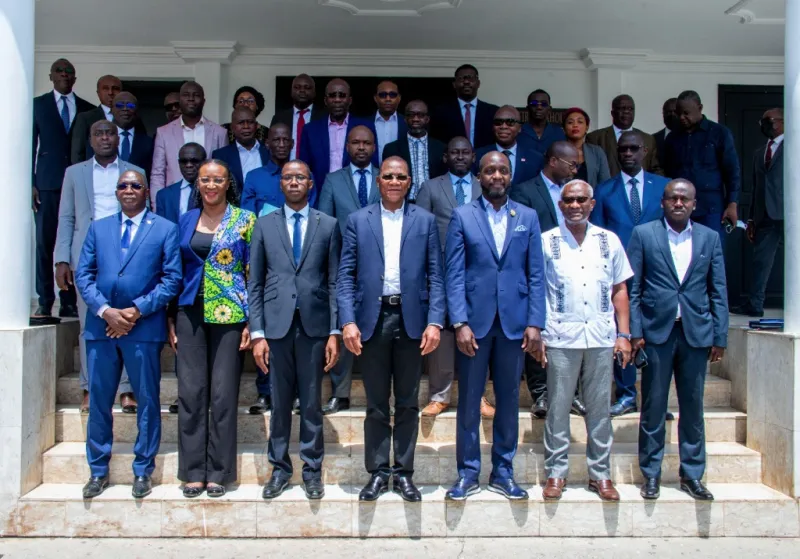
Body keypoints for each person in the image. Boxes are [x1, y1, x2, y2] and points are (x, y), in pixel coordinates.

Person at [337, 156, 445, 502]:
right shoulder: (358, 220)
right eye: (388, 176)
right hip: (372, 320)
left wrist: (435, 321)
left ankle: (404, 473)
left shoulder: (425, 221)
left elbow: (436, 275)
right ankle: (378, 472)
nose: (395, 181)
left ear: (409, 181)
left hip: (412, 321)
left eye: (401, 176)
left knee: (409, 401)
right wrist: (347, 320)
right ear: (379, 181)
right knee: (376, 403)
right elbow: (345, 275)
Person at [444, 151, 546, 501]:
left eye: (503, 170)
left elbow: (536, 273)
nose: (497, 176)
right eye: (490, 171)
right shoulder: (462, 216)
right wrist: (459, 322)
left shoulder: (528, 217)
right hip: (474, 323)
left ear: (510, 174)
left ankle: (503, 472)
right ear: (479, 176)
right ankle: (468, 473)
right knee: (470, 400)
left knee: (507, 400)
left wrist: (535, 321)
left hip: (515, 325)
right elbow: (454, 274)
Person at [75, 169, 181, 500]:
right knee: (100, 403)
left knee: (148, 401)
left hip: (143, 329)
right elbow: (83, 275)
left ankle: (143, 470)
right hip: (101, 329)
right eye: (123, 185)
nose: (129, 190)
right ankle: (97, 470)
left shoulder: (165, 229)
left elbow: (171, 279)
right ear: (117, 192)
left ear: (146, 191)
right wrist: (106, 311)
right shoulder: (99, 227)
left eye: (136, 185)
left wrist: (135, 311)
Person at [628, 179, 729, 502]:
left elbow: (718, 291)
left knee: (693, 407)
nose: (679, 203)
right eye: (673, 198)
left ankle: (692, 474)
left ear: (694, 204)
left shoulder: (709, 238)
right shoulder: (644, 234)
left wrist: (720, 335)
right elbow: (634, 289)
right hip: (657, 333)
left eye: (685, 198)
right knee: (654, 406)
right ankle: (652, 474)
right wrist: (635, 332)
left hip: (696, 334)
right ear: (663, 202)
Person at [250, 160, 341, 500]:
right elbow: (255, 282)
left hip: (315, 326)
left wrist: (334, 330)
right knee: (280, 401)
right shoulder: (264, 225)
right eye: (287, 177)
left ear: (311, 182)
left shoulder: (328, 224)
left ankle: (312, 470)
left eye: (300, 176)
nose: (293, 181)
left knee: (312, 402)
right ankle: (280, 469)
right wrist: (257, 332)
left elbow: (334, 281)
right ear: (281, 184)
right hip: (276, 326)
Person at [540, 179, 632, 502]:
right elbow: (538, 291)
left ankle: (600, 474)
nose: (575, 205)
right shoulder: (546, 242)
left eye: (581, 199)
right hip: (561, 336)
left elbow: (620, 290)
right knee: (558, 407)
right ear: (560, 205)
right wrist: (537, 332)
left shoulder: (609, 241)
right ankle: (556, 471)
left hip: (601, 336)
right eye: (569, 200)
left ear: (592, 204)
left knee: (599, 408)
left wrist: (624, 334)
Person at [170, 159, 256, 498]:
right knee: (191, 393)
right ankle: (193, 471)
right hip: (189, 312)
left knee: (222, 395)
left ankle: (219, 471)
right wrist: (169, 318)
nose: (210, 185)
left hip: (231, 314)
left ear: (227, 184)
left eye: (217, 179)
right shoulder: (185, 220)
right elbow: (174, 270)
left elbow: (253, 272)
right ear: (198, 184)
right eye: (204, 179)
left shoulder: (245, 220)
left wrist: (252, 321)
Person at [55, 120, 145, 414]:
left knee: (127, 323)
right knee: (90, 323)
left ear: (118, 139)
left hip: (126, 255)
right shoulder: (74, 173)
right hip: (87, 256)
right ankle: (90, 387)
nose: (105, 138)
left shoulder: (134, 172)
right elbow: (66, 218)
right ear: (90, 139)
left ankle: (126, 389)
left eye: (110, 133)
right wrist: (62, 259)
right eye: (99, 133)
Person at [591, 131, 670, 417]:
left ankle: (655, 398)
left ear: (645, 150)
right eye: (622, 149)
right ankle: (626, 394)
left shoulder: (663, 186)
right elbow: (597, 232)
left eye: (633, 149)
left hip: (657, 270)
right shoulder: (603, 190)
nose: (627, 154)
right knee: (621, 331)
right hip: (618, 272)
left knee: (656, 334)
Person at [415, 137, 494, 418]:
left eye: (465, 153)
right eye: (454, 153)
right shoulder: (431, 187)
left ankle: (479, 395)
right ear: (445, 157)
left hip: (477, 271)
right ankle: (440, 395)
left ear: (474, 157)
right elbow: (420, 227)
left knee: (477, 331)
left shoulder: (483, 187)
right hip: (441, 270)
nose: (460, 157)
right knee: (444, 333)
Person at [510, 141, 582, 418]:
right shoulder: (525, 191)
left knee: (571, 333)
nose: (576, 169)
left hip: (573, 271)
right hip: (536, 270)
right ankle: (539, 393)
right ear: (553, 161)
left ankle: (571, 394)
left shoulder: (576, 192)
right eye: (571, 164)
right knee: (538, 331)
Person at [317, 125, 380, 414]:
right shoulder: (333, 180)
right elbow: (325, 224)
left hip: (380, 267)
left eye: (367, 142)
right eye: (355, 142)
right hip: (343, 264)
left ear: (374, 146)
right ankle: (340, 393)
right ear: (347, 147)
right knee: (342, 324)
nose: (361, 147)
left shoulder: (387, 177)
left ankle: (377, 392)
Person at [31, 58, 94, 319]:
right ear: (51, 76)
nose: (65, 75)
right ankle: (45, 300)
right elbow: (27, 145)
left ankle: (69, 301)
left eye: (69, 72)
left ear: (75, 78)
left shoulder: (87, 109)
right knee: (46, 242)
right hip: (47, 183)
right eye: (60, 71)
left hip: (77, 185)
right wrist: (30, 183)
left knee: (71, 240)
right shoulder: (37, 105)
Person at [662, 90, 741, 241]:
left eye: (686, 113)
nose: (682, 118)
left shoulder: (719, 133)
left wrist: (732, 204)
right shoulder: (673, 138)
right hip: (680, 207)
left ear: (700, 108)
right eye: (679, 113)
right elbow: (667, 173)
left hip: (711, 209)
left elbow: (732, 171)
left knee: (712, 254)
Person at [735, 108, 784, 318]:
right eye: (761, 121)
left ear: (782, 122)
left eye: (768, 121)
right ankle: (755, 304)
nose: (764, 125)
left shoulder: (796, 146)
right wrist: (752, 219)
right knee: (761, 262)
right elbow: (756, 188)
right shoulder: (759, 153)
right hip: (765, 215)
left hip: (791, 214)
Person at [151, 81, 228, 208]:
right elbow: (158, 173)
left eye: (196, 95)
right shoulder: (163, 132)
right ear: (180, 101)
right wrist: (157, 206)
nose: (191, 99)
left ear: (203, 101)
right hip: (173, 202)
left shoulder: (219, 132)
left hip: (210, 202)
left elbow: (224, 172)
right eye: (186, 95)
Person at [299, 78, 376, 200]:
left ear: (349, 100)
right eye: (332, 95)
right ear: (325, 100)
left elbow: (373, 163)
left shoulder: (365, 127)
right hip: (320, 194)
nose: (337, 99)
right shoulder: (310, 130)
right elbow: (303, 168)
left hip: (356, 195)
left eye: (342, 95)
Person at [382, 100, 447, 201]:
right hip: (403, 202)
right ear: (405, 119)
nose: (415, 119)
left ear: (427, 119)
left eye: (420, 115)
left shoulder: (440, 147)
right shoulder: (392, 149)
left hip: (434, 203)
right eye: (411, 115)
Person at [586, 94, 662, 176]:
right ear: (612, 113)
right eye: (622, 108)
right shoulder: (595, 138)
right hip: (609, 187)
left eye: (630, 109)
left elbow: (655, 169)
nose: (626, 111)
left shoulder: (648, 139)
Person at [87, 92, 154, 179]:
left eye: (130, 105)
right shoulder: (98, 140)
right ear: (111, 110)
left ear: (137, 111)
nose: (125, 109)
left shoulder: (148, 142)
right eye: (119, 105)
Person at [431, 64, 499, 148]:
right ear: (454, 84)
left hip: (484, 159)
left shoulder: (493, 112)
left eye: (471, 78)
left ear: (478, 83)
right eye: (461, 78)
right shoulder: (440, 112)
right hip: (453, 159)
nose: (466, 82)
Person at [474, 105, 544, 186]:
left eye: (510, 122)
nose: (503, 126)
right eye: (498, 122)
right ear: (493, 127)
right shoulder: (479, 156)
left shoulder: (535, 158)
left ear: (519, 128)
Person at [241, 123, 294, 218]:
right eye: (276, 140)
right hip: (263, 232)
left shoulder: (304, 176)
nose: (281, 145)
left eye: (285, 140)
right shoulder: (254, 177)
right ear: (267, 144)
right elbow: (247, 218)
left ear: (292, 144)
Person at [270, 74, 326, 159]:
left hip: (314, 170)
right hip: (284, 168)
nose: (302, 90)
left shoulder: (324, 117)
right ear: (291, 91)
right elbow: (272, 145)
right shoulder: (279, 118)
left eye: (307, 87)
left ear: (314, 92)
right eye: (297, 87)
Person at [212, 107, 271, 187]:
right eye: (241, 123)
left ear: (256, 125)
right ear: (232, 127)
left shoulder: (269, 151)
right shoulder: (220, 156)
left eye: (250, 122)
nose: (246, 126)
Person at [70, 74, 122, 164]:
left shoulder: (131, 118)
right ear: (98, 93)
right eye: (105, 88)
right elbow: (77, 152)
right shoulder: (85, 118)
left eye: (115, 88)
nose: (110, 92)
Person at [155, 143, 206, 225]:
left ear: (204, 163)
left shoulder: (214, 191)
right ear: (179, 163)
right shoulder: (164, 195)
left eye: (194, 161)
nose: (188, 165)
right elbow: (161, 230)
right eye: (184, 161)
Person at [562, 107, 611, 187]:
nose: (575, 125)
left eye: (580, 122)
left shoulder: (597, 152)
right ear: (564, 128)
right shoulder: (557, 151)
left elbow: (605, 184)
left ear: (587, 128)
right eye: (570, 122)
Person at [519, 89, 566, 155]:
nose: (539, 107)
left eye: (544, 104)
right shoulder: (518, 132)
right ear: (528, 108)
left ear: (549, 109)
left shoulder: (559, 133)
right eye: (534, 103)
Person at [373, 80, 406, 162]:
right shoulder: (364, 123)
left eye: (392, 95)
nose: (388, 99)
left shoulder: (406, 123)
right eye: (383, 95)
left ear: (399, 98)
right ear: (375, 98)